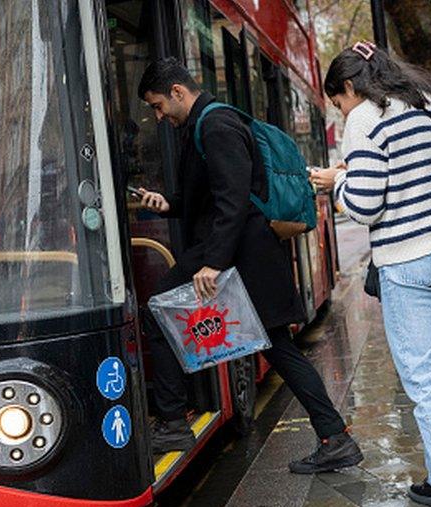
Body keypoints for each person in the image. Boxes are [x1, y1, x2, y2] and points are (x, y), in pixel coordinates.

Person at [135, 57, 363, 474]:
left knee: (159, 310)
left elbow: (233, 198)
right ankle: (335, 438)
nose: (158, 116)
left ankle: (172, 422)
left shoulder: (215, 125)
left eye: (158, 106)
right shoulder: (206, 124)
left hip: (242, 256)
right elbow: (213, 195)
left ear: (178, 93)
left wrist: (213, 263)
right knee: (280, 350)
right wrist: (170, 203)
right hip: (247, 255)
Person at [310, 41, 431, 507]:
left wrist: (336, 184)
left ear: (349, 86)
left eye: (338, 102)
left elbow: (367, 204)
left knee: (426, 380)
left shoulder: (365, 117)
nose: (341, 112)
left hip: (411, 258)